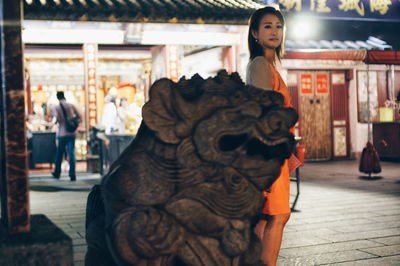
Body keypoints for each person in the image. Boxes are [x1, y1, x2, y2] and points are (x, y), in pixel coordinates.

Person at [246, 6, 292, 266]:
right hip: (270, 153)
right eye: (267, 26)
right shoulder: (261, 65)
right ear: (254, 33)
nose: (274, 32)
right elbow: (260, 113)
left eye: (278, 26)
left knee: (266, 218)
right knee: (278, 214)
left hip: (272, 152)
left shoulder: (266, 65)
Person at [51, 91, 81, 181]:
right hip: (72, 133)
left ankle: (57, 173)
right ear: (64, 96)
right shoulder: (71, 105)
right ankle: (72, 174)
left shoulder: (56, 108)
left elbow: (56, 119)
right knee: (71, 153)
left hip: (62, 133)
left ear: (57, 98)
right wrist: (74, 123)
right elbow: (80, 117)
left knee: (59, 154)